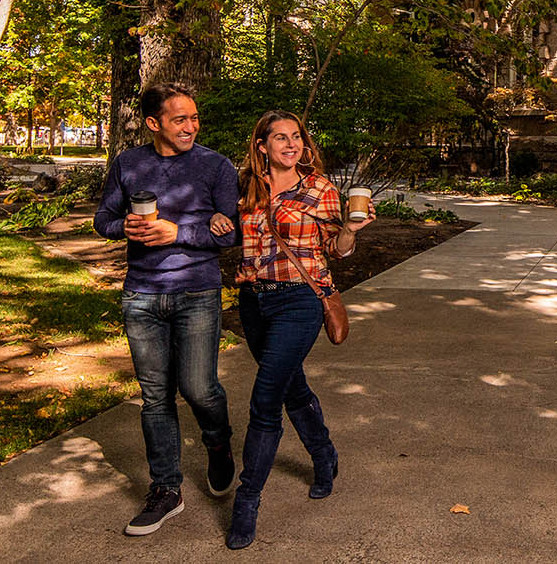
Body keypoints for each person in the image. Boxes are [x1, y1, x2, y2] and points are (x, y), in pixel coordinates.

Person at [95, 83, 241, 536]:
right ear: (154, 123)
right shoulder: (129, 163)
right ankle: (165, 489)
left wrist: (177, 231)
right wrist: (128, 228)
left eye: (194, 118)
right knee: (155, 397)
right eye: (180, 119)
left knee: (200, 388)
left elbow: (229, 233)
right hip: (141, 295)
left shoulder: (215, 165)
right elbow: (103, 220)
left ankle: (218, 443)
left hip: (196, 292)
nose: (191, 127)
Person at [225, 109, 372, 550]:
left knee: (265, 396)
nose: (291, 145)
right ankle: (324, 455)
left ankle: (247, 501)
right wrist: (219, 225)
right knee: (291, 386)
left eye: (297, 138)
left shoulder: (321, 188)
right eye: (281, 138)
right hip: (253, 301)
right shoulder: (245, 187)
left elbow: (337, 249)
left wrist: (350, 228)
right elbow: (232, 235)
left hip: (300, 301)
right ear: (262, 146)